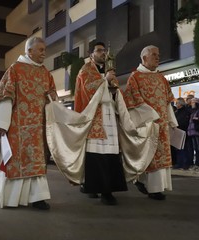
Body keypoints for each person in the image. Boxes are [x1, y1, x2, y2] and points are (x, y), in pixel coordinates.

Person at [0, 36, 56, 210]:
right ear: (29, 51)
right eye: (40, 50)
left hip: (38, 127)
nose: (43, 53)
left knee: (37, 163)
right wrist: (2, 123)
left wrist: (52, 98)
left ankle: (38, 198)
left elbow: (52, 95)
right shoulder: (15, 69)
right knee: (16, 162)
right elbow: (5, 96)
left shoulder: (45, 72)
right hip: (18, 127)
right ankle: (11, 199)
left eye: (44, 50)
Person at [74, 42, 128, 205]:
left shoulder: (109, 71)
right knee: (96, 156)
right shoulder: (86, 70)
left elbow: (116, 90)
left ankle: (107, 190)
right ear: (91, 54)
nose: (103, 53)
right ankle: (96, 187)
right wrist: (105, 80)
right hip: (94, 116)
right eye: (99, 50)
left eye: (104, 50)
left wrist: (114, 88)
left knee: (110, 155)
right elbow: (88, 90)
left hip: (110, 115)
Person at [123, 45, 178, 200]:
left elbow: (167, 102)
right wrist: (150, 117)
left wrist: (171, 122)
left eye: (158, 55)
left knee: (161, 156)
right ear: (144, 58)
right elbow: (133, 101)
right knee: (148, 155)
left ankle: (154, 186)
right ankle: (153, 189)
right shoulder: (135, 77)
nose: (157, 57)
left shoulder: (162, 78)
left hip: (162, 124)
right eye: (154, 55)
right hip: (148, 124)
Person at [174, 97, 191, 169]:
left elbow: (185, 121)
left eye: (177, 103)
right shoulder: (177, 112)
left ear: (180, 104)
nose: (176, 104)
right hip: (177, 132)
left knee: (184, 149)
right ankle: (179, 163)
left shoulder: (186, 111)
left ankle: (185, 164)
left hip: (183, 132)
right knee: (178, 148)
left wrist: (178, 125)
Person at [187, 98, 199, 171]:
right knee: (195, 148)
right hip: (192, 132)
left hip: (197, 131)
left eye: (193, 102)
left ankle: (197, 164)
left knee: (198, 149)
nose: (191, 104)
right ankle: (196, 164)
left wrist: (196, 119)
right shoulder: (193, 112)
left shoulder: (197, 111)